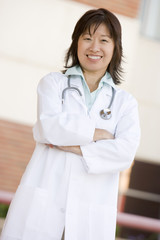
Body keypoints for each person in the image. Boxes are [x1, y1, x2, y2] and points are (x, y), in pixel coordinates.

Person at [0, 8, 140, 240]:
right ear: (76, 43)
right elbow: (49, 128)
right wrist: (99, 134)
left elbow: (124, 153)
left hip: (90, 215)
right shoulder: (53, 84)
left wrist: (73, 146)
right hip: (42, 208)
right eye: (87, 38)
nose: (94, 47)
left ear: (115, 48)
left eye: (104, 40)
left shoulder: (125, 103)